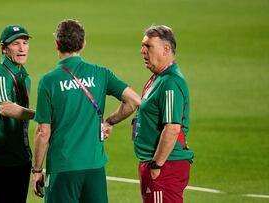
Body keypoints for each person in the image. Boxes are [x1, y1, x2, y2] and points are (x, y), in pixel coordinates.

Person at [32, 19, 141, 203]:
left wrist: (36, 171)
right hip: (94, 168)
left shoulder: (48, 82)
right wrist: (109, 121)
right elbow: (134, 100)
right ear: (83, 44)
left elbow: (43, 132)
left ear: (56, 44)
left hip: (63, 168)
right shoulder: (101, 73)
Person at [133, 25, 194, 203]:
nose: (142, 51)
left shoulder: (170, 82)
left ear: (166, 49)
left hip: (165, 165)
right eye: (142, 46)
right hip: (155, 163)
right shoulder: (157, 78)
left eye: (148, 46)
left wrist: (156, 164)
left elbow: (172, 127)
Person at [0, 25, 36, 203]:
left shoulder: (24, 76)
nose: (22, 48)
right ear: (3, 48)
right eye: (16, 44)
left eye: (25, 43)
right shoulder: (0, 75)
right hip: (0, 161)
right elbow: (5, 108)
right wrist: (41, 114)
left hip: (20, 158)